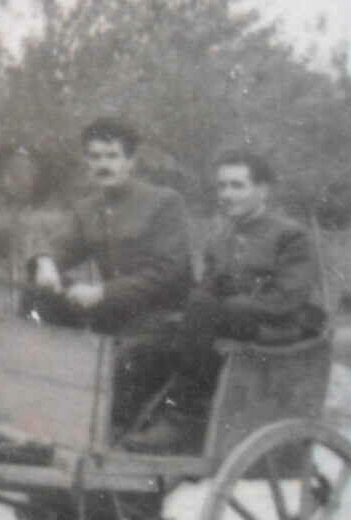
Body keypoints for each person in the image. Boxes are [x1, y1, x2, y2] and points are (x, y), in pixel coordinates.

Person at [123, 150, 326, 453]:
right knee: (153, 335)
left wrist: (225, 305)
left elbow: (288, 299)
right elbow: (207, 289)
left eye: (237, 186)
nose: (227, 195)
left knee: (203, 308)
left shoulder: (290, 235)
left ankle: (183, 417)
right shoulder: (220, 239)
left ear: (263, 189)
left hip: (276, 330)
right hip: (227, 322)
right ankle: (129, 423)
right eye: (222, 186)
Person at [27, 116, 194, 427]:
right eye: (95, 157)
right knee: (40, 297)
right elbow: (59, 246)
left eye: (112, 156)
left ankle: (110, 433)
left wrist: (103, 293)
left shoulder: (164, 203)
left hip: (162, 322)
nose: (103, 165)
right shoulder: (87, 208)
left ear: (131, 161)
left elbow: (169, 271)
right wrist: (46, 264)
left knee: (115, 369)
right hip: (112, 319)